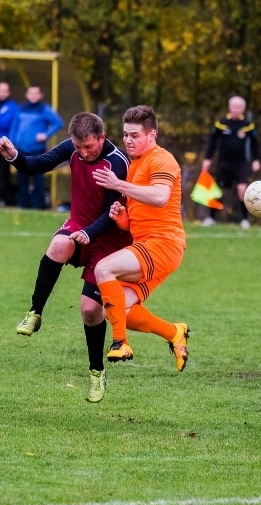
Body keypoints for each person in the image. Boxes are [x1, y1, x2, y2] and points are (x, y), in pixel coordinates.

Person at [0, 112, 131, 403]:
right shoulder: (72, 149)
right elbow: (37, 164)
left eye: (89, 147)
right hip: (79, 225)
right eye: (78, 147)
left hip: (108, 240)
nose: (83, 153)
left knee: (89, 311)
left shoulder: (117, 163)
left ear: (102, 138)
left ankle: (96, 371)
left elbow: (112, 215)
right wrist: (13, 156)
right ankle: (35, 313)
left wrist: (89, 234)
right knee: (58, 245)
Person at [92, 105, 189, 375]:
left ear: (152, 135)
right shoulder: (135, 164)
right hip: (149, 245)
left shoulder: (162, 160)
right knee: (116, 308)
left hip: (164, 244)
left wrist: (117, 184)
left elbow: (160, 197)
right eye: (125, 134)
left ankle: (120, 343)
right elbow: (140, 217)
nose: (128, 140)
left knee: (104, 269)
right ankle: (174, 332)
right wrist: (122, 217)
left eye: (135, 135)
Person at [201, 96, 260, 229]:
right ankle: (211, 218)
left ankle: (245, 220)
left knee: (242, 189)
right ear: (229, 107)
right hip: (224, 163)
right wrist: (207, 159)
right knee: (217, 190)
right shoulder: (221, 123)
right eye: (234, 106)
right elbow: (212, 141)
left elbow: (255, 144)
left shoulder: (247, 124)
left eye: (239, 107)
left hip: (241, 163)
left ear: (243, 109)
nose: (236, 109)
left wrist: (256, 160)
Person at [8, 85, 64, 209]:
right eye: (30, 93)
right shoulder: (20, 108)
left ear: (40, 95)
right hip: (21, 149)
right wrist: (12, 141)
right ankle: (22, 204)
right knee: (21, 178)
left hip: (37, 149)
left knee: (38, 178)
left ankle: (38, 205)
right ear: (26, 95)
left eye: (36, 93)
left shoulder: (44, 109)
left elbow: (58, 123)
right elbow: (14, 126)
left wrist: (46, 134)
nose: (33, 96)